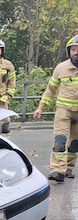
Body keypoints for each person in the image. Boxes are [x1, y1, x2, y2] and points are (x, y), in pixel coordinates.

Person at [33, 35, 78, 183]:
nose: (76, 52)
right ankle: (57, 170)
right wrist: (41, 107)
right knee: (60, 141)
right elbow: (50, 90)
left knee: (75, 144)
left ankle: (69, 167)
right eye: (73, 49)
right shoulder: (61, 68)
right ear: (69, 51)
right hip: (63, 111)